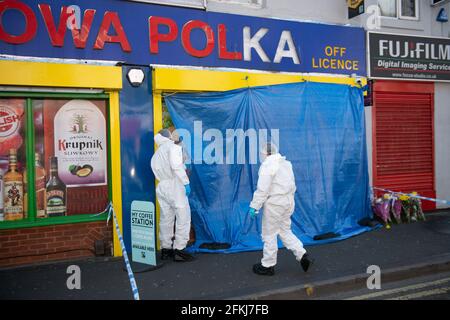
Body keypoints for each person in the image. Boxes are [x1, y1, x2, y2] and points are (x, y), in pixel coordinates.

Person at [248, 142, 312, 276]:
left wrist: (254, 207)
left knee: (269, 234)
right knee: (284, 231)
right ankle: (302, 254)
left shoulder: (267, 166)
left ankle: (267, 265)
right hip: (288, 202)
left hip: (275, 204)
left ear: (265, 153)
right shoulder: (286, 164)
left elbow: (262, 190)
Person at [151, 129, 194, 262]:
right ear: (168, 137)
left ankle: (166, 249)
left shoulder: (157, 154)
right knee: (183, 216)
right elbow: (177, 167)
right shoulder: (173, 148)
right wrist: (186, 182)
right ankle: (179, 250)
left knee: (166, 218)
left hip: (161, 186)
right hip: (175, 185)